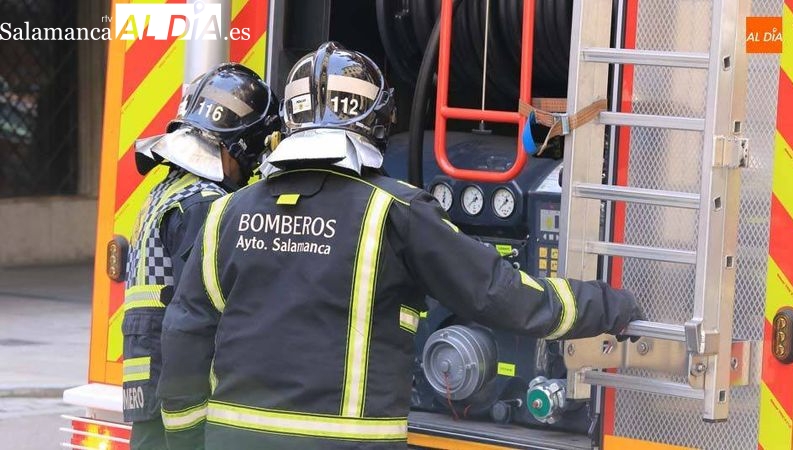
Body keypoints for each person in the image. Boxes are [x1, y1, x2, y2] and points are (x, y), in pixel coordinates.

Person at [157, 42, 644, 450]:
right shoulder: (393, 210)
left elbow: (185, 336)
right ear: (376, 121)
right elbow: (498, 293)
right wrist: (606, 305)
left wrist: (183, 440)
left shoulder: (226, 213)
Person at [121, 62, 280, 450]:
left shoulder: (171, 188)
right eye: (252, 156)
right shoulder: (205, 204)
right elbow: (201, 311)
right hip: (171, 382)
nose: (251, 169)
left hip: (148, 375)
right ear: (235, 146)